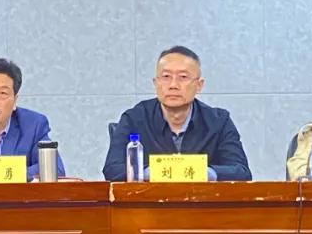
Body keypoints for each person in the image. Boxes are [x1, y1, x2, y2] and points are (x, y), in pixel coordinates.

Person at [102, 46, 252, 181]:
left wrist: (202, 173)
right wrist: (155, 173)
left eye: (183, 77)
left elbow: (241, 172)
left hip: (201, 201)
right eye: (166, 77)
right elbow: (112, 169)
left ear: (199, 85)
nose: (173, 85)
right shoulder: (134, 119)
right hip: (150, 201)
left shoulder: (219, 122)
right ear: (156, 83)